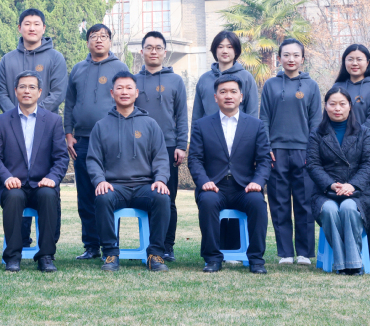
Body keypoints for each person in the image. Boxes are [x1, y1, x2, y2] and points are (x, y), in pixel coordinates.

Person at [0, 71, 69, 272]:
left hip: (42, 184)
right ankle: (13, 257)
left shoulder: (52, 121)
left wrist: (52, 178)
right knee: (14, 196)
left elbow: (61, 157)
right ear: (15, 91)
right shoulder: (1, 121)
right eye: (22, 87)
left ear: (39, 92)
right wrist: (6, 177)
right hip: (13, 184)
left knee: (48, 194)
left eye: (32, 87)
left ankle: (46, 256)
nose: (27, 91)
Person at [87, 72, 171, 273]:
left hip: (144, 187)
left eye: (128, 88)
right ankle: (110, 253)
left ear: (136, 92)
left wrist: (160, 179)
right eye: (119, 88)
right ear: (112, 92)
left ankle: (155, 254)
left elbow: (161, 157)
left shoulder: (150, 124)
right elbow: (93, 160)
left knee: (162, 197)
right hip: (115, 187)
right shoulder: (101, 126)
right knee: (102, 197)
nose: (124, 92)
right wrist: (100, 181)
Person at [188, 75, 271, 274]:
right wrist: (204, 182)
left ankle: (256, 259)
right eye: (223, 92)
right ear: (215, 97)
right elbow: (195, 159)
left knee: (258, 203)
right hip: (214, 186)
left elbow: (264, 160)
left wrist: (257, 182)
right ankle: (212, 258)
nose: (228, 96)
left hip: (244, 187)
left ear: (241, 97)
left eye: (233, 92)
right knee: (208, 201)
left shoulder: (256, 125)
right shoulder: (202, 125)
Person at [64, 24, 129, 260]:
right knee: (85, 194)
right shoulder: (78, 68)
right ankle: (91, 245)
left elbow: (127, 100)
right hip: (82, 139)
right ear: (88, 42)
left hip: (112, 139)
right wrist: (68, 133)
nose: (99, 40)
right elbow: (70, 103)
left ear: (110, 41)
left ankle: (110, 244)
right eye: (94, 36)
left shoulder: (120, 67)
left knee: (109, 192)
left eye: (103, 36)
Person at [259, 38, 321, 265]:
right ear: (279, 58)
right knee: (279, 203)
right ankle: (285, 252)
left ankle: (304, 252)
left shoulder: (311, 86)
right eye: (286, 55)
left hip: (304, 151)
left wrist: (312, 151)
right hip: (276, 152)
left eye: (296, 55)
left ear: (302, 58)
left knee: (304, 203)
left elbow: (316, 122)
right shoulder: (270, 85)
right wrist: (266, 147)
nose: (291, 59)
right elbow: (264, 119)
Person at [307, 87, 370, 275]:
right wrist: (331, 184)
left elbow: (369, 164)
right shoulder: (316, 133)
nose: (337, 108)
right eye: (332, 104)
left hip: (357, 192)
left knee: (348, 207)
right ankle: (348, 264)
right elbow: (313, 165)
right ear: (325, 106)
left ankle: (350, 264)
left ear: (350, 106)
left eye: (342, 104)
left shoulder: (363, 132)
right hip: (325, 192)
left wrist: (351, 185)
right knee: (329, 209)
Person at [134, 31, 188, 262]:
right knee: (145, 197)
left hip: (167, 147)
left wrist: (181, 145)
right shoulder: (134, 81)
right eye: (149, 47)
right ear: (142, 51)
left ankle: (167, 245)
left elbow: (181, 115)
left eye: (158, 48)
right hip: (139, 149)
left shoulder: (175, 81)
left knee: (167, 198)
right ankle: (150, 244)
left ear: (165, 52)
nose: (153, 51)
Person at [333, 44, 370, 266]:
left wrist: (353, 142)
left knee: (368, 205)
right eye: (350, 59)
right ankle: (342, 251)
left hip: (366, 157)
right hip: (338, 158)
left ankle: (369, 255)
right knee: (339, 204)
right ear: (344, 62)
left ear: (368, 62)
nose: (354, 63)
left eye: (359, 59)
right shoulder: (337, 87)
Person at [0, 9, 68, 114]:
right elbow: (1, 93)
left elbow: (58, 92)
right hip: (13, 121)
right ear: (19, 28)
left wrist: (36, 113)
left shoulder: (55, 58)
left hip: (46, 120)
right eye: (27, 24)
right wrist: (16, 115)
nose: (32, 28)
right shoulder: (7, 60)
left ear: (43, 28)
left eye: (36, 24)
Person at [192, 31, 259, 121]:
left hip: (239, 129)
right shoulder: (204, 79)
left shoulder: (246, 78)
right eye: (220, 47)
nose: (225, 51)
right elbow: (197, 115)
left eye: (229, 47)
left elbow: (252, 113)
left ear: (236, 51)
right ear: (215, 50)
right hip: (209, 129)